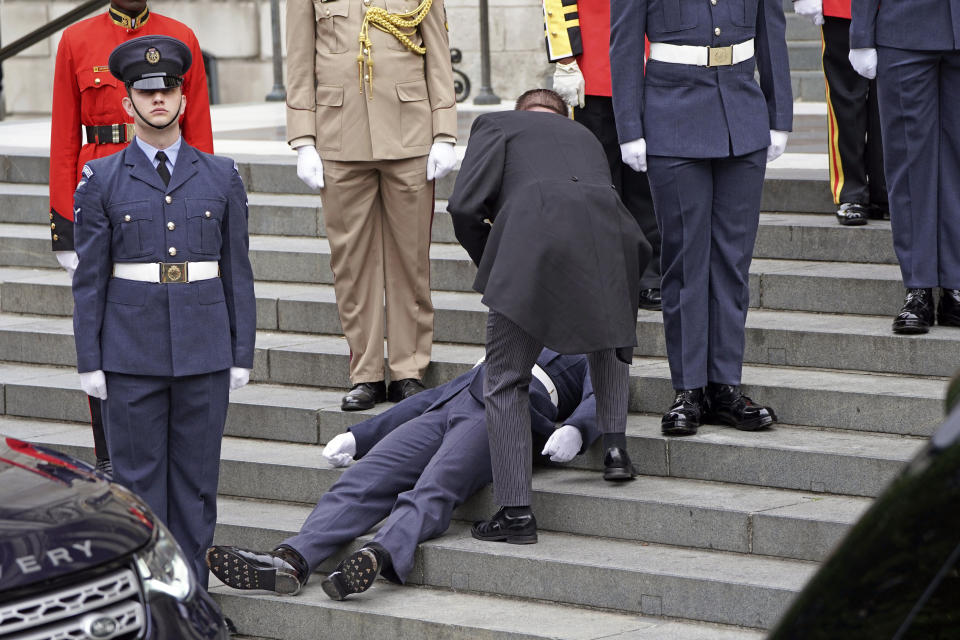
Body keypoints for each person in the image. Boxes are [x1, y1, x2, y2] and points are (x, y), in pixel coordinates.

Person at [71, 35, 255, 587]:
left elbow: (237, 271)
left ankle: (193, 594)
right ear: (127, 102)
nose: (158, 99)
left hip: (203, 348)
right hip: (130, 352)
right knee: (139, 486)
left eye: (168, 88)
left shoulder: (221, 175)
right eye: (146, 92)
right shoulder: (101, 179)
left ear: (183, 96)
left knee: (196, 484)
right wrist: (90, 360)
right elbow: (90, 279)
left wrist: (240, 350)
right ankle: (153, 597)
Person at [206, 349, 601, 599]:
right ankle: (292, 560)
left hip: (507, 412)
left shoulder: (595, 333)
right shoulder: (521, 311)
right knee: (364, 480)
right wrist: (362, 436)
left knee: (434, 487)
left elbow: (603, 393)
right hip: (451, 401)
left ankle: (378, 554)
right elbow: (433, 395)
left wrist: (578, 428)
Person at [448, 89, 649, 545]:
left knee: (504, 380)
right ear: (562, 115)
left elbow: (464, 208)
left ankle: (516, 512)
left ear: (524, 114)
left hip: (533, 241)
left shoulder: (497, 124)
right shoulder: (584, 136)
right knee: (609, 338)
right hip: (612, 235)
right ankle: (615, 449)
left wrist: (495, 266)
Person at [610, 0, 791, 436]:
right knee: (686, 262)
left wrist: (779, 114)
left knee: (732, 263)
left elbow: (772, 36)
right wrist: (629, 127)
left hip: (742, 116)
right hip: (672, 118)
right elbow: (626, 45)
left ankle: (726, 386)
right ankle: (689, 389)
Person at [49, 0, 213, 474]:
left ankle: (167, 440)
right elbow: (64, 135)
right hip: (97, 193)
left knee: (167, 308)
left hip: (165, 188)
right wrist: (64, 226)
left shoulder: (180, 35)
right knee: (98, 319)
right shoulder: (76, 40)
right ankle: (108, 453)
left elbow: (197, 127)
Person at [285, 0, 458, 411]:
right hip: (338, 133)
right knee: (351, 263)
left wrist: (444, 130)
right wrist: (303, 138)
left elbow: (437, 50)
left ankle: (407, 371)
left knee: (411, 259)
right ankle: (365, 374)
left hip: (409, 129)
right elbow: (299, 56)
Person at [542, 0, 662, 310]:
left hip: (649, 61)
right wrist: (566, 60)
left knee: (646, 185)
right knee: (600, 184)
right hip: (593, 67)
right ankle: (606, 276)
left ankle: (650, 275)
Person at [849, 1, 960, 334]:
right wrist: (862, 33)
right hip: (903, 26)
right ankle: (919, 287)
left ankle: (955, 285)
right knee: (909, 165)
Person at [793, 0, 887, 226]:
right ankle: (851, 191)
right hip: (842, 7)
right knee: (845, 99)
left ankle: (885, 188)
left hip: (896, 10)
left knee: (887, 101)